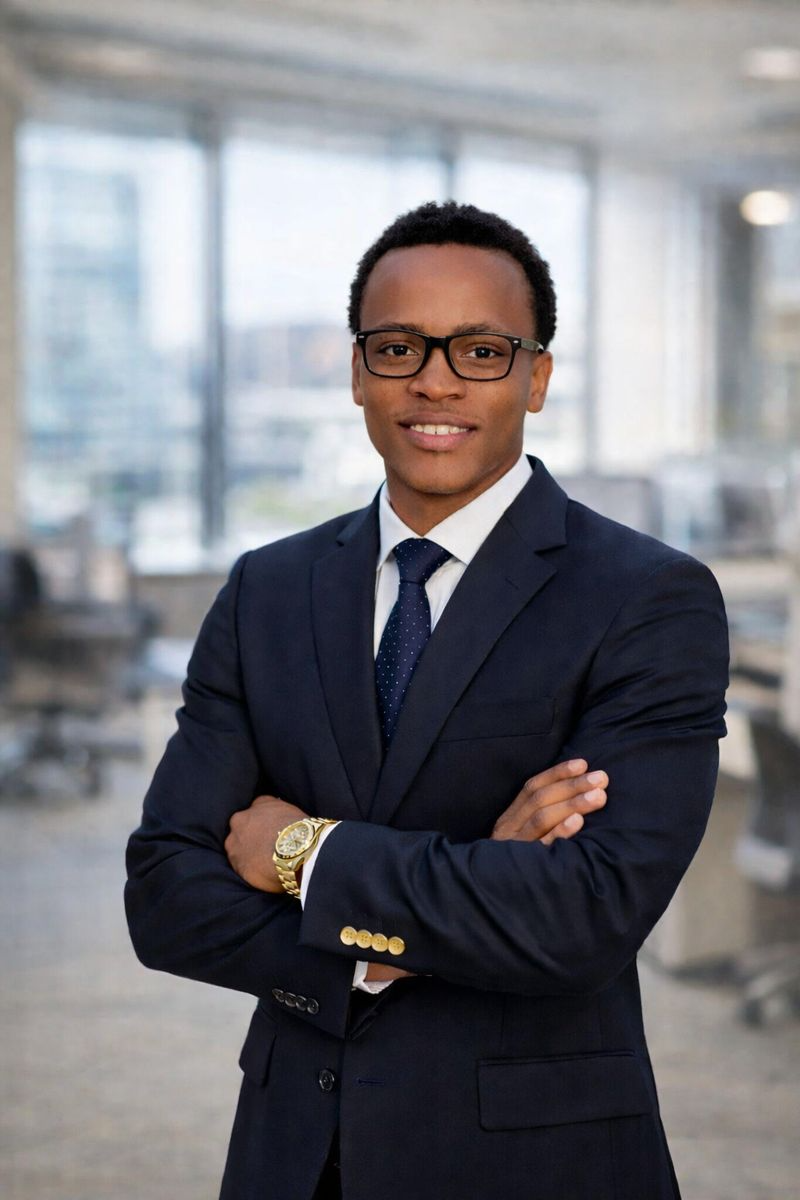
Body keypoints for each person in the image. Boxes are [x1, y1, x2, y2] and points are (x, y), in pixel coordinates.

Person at [125, 201, 728, 1200]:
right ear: (358, 371)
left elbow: (585, 913)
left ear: (537, 377)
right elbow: (165, 897)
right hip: (296, 1150)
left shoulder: (644, 597)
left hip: (533, 1160)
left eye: (480, 351)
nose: (434, 381)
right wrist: (398, 939)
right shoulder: (267, 589)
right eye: (398, 347)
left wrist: (302, 853)